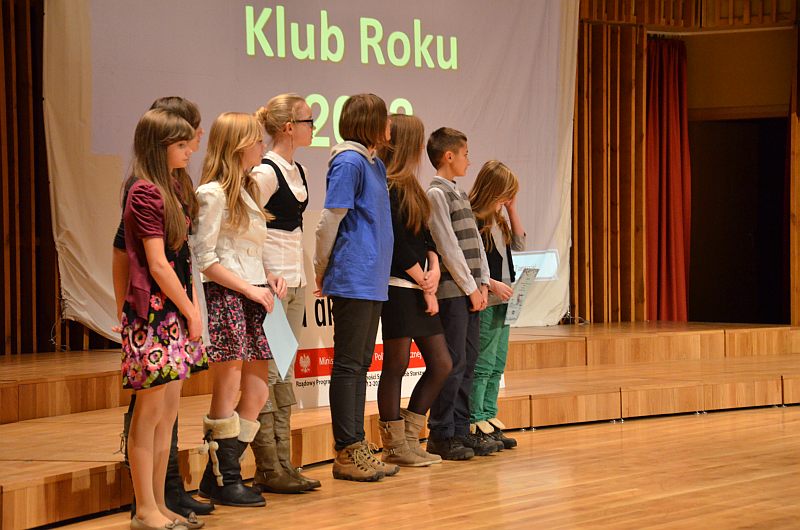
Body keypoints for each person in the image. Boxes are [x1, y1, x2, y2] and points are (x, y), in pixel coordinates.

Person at [113, 97, 213, 523]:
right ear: (160, 146)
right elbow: (155, 263)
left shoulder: (170, 187)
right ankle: (144, 509)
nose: (190, 150)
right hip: (152, 315)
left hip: (172, 312)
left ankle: (160, 503)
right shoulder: (143, 191)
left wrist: (188, 309)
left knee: (168, 414)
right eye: (181, 144)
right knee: (149, 415)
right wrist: (191, 310)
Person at [191, 112, 286, 508]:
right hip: (228, 296)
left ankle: (221, 471)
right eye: (257, 141)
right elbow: (205, 258)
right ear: (239, 145)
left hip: (257, 294)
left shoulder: (247, 191)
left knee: (259, 390)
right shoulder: (211, 193)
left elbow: (250, 250)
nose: (262, 147)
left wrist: (269, 276)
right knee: (227, 388)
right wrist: (248, 287)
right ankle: (224, 478)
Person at [313, 94, 395, 482]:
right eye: (385, 119)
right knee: (348, 364)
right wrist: (321, 267)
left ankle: (357, 444)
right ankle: (346, 450)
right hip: (353, 274)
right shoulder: (348, 161)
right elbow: (330, 220)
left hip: (372, 277)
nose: (390, 126)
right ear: (370, 122)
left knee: (361, 363)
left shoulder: (373, 163)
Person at [249, 94, 320, 493]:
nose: (314, 127)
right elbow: (246, 227)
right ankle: (267, 465)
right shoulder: (265, 173)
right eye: (309, 121)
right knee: (272, 371)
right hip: (271, 285)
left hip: (295, 283)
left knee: (286, 370)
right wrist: (265, 274)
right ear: (289, 127)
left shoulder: (300, 170)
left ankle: (284, 461)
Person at [375, 114, 452, 467]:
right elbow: (397, 243)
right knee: (396, 363)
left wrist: (434, 268)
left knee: (441, 363)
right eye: (418, 140)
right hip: (398, 286)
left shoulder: (412, 186)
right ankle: (394, 445)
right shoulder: (387, 186)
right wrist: (424, 281)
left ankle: (408, 436)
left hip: (419, 284)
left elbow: (426, 238)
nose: (422, 147)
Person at [424, 127, 497, 461]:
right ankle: (441, 433)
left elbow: (476, 245)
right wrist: (469, 287)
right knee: (452, 364)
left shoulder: (461, 193)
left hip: (471, 291)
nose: (469, 161)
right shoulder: (436, 193)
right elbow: (447, 245)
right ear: (449, 155)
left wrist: (483, 283)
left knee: (468, 361)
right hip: (453, 292)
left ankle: (461, 428)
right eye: (465, 154)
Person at [468, 160, 525, 450]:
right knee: (483, 362)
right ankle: (475, 419)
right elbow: (470, 264)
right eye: (505, 194)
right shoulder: (474, 219)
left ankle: (489, 416)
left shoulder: (499, 220)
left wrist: (512, 211)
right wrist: (492, 284)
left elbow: (520, 245)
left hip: (504, 300)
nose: (507, 200)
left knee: (497, 363)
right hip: (487, 299)